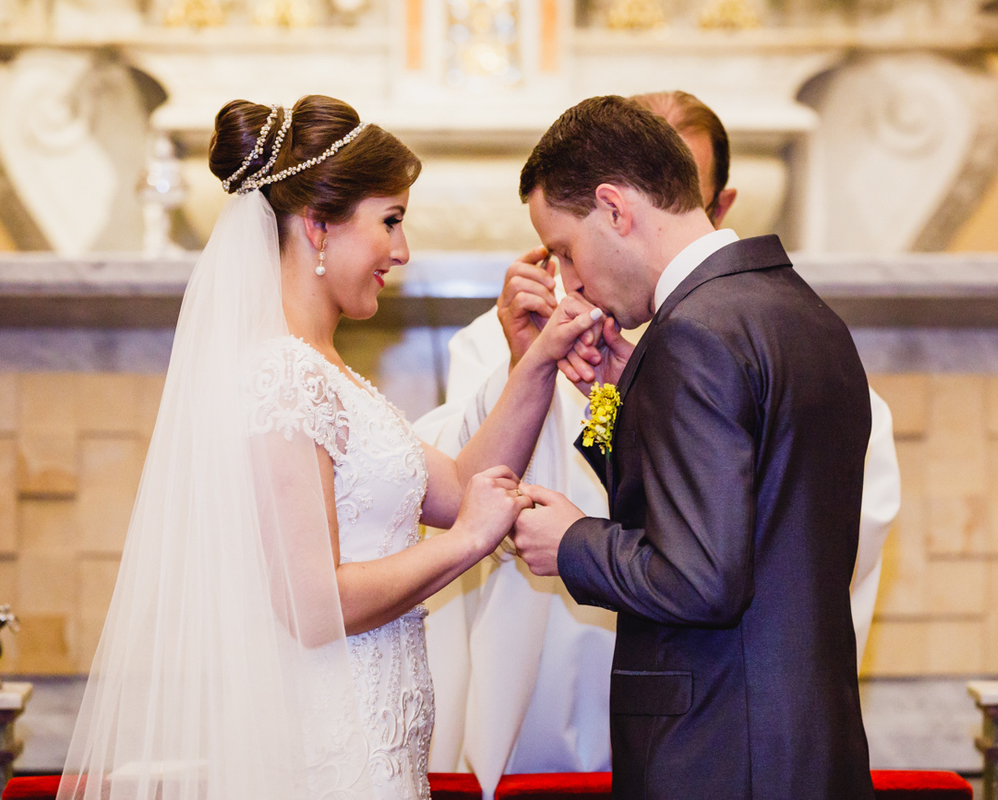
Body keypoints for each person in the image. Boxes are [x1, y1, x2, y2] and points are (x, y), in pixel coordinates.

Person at [56, 95, 603, 800]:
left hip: (378, 738)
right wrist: (466, 543)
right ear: (317, 225)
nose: (402, 252)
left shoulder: (329, 373)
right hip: (324, 744)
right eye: (391, 220)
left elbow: (464, 485)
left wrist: (532, 359)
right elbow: (312, 605)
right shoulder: (280, 374)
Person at [415, 90, 897, 795]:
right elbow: (732, 506)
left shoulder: (693, 335)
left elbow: (703, 578)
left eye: (566, 250)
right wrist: (615, 392)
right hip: (802, 745)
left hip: (719, 752)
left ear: (615, 209)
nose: (571, 280)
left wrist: (572, 541)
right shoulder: (797, 309)